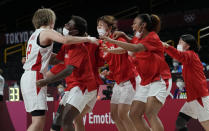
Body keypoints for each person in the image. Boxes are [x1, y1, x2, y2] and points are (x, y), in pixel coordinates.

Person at [20, 9, 98, 131]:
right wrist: (88, 39)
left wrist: (30, 59)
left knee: (56, 121)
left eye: (68, 24)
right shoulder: (46, 31)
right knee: (39, 121)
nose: (64, 26)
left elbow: (54, 59)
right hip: (35, 76)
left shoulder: (35, 34)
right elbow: (65, 40)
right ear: (51, 20)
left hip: (80, 86)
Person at [101, 14, 172, 131]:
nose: (132, 26)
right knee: (133, 114)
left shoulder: (152, 37)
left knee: (150, 114)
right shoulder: (138, 37)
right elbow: (132, 44)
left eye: (135, 23)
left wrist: (111, 40)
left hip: (159, 79)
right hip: (146, 81)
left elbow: (136, 48)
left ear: (143, 25)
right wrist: (123, 36)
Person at [98, 15, 139, 131]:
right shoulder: (102, 43)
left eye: (101, 25)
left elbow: (124, 50)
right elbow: (114, 65)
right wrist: (109, 74)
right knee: (114, 116)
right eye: (98, 25)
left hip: (130, 80)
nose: (98, 27)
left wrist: (110, 49)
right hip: (118, 82)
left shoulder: (117, 38)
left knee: (122, 114)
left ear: (110, 28)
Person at [163, 34, 209, 131]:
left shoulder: (190, 54)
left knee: (206, 124)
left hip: (199, 97)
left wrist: (166, 46)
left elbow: (178, 55)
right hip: (192, 97)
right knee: (180, 122)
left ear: (187, 45)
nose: (178, 44)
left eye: (180, 42)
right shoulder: (189, 58)